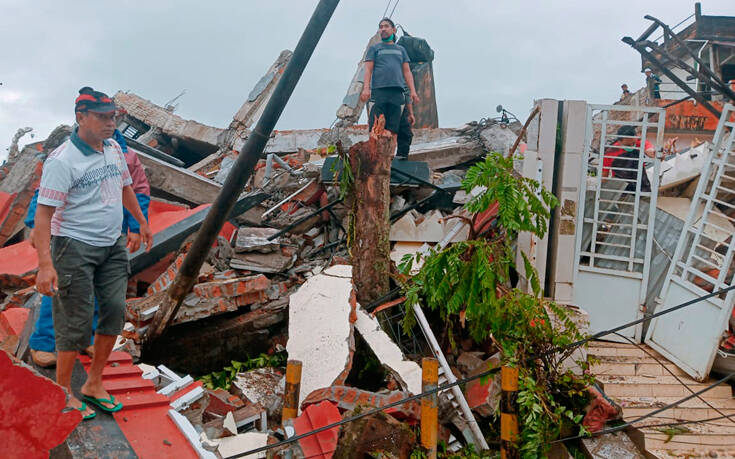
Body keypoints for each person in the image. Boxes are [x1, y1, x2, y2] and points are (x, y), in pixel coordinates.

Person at [33, 87, 152, 420]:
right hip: (73, 246)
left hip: (111, 244)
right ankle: (63, 393)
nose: (110, 123)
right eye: (102, 117)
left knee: (114, 310)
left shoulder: (113, 149)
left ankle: (94, 383)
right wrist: (45, 264)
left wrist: (141, 222)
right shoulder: (62, 161)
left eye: (112, 117)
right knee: (75, 321)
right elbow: (42, 217)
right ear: (80, 117)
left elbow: (126, 187)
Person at [27, 127, 150, 369]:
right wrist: (35, 224)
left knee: (100, 290)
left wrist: (136, 227)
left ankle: (87, 337)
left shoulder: (124, 155)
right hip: (73, 235)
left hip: (110, 236)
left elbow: (138, 191)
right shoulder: (68, 153)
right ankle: (44, 342)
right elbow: (43, 194)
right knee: (63, 290)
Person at [360, 17, 419, 140]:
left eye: (386, 26)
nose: (383, 29)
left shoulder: (401, 50)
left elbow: (407, 72)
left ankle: (389, 155)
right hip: (379, 91)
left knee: (393, 127)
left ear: (393, 30)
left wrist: (413, 91)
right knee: (376, 125)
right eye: (381, 27)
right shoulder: (375, 49)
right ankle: (374, 153)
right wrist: (366, 88)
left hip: (397, 91)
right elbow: (368, 70)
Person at [601, 125, 656, 192]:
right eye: (627, 145)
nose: (632, 146)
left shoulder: (639, 143)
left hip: (642, 186)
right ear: (619, 141)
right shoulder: (610, 153)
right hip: (620, 189)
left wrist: (653, 153)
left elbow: (649, 148)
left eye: (633, 143)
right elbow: (604, 177)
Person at [396, 86, 415, 159]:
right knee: (405, 134)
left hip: (398, 103)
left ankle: (401, 160)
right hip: (394, 103)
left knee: (406, 134)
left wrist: (410, 113)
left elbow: (406, 91)